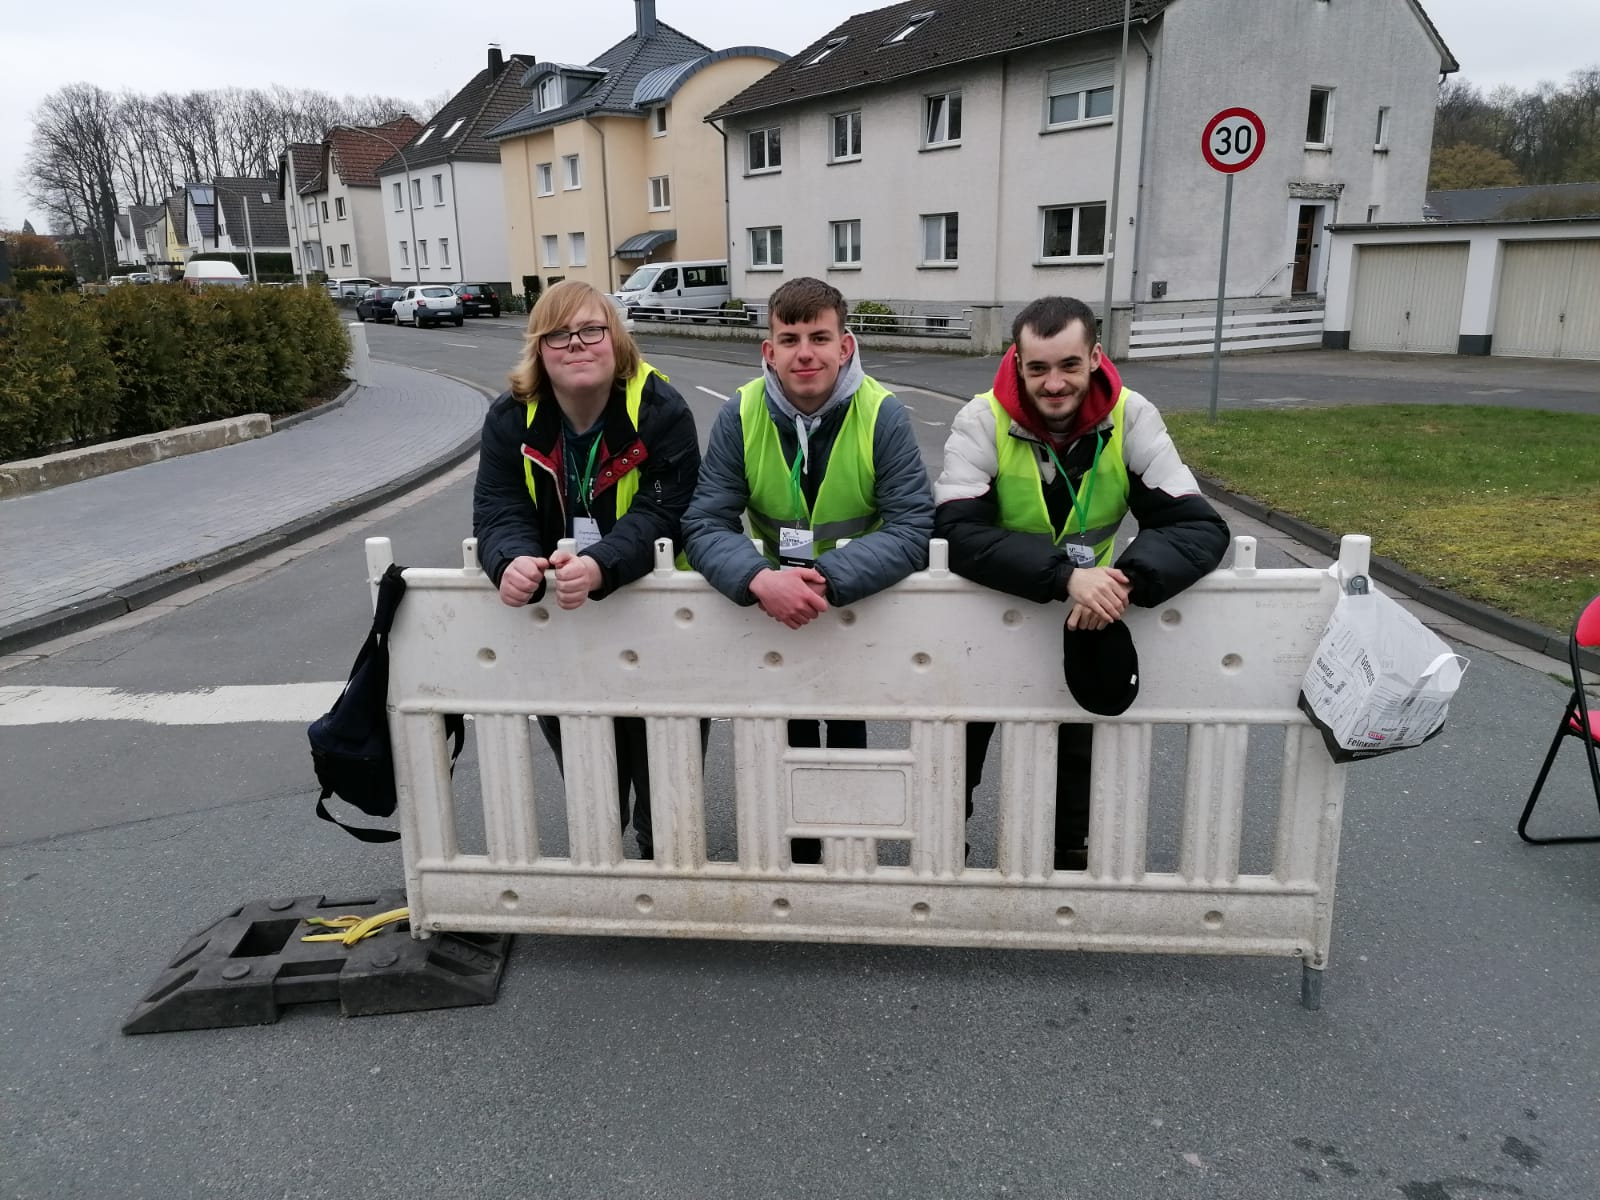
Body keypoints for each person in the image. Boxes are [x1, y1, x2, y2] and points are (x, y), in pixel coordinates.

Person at [934, 295, 1229, 870]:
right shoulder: (981, 419)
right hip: (993, 608)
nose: (1053, 383)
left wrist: (1122, 583)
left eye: (1068, 364)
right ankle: (949, 847)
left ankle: (1067, 852)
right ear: (1017, 363)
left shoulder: (1132, 415)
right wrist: (1068, 577)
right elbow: (954, 534)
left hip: (1086, 611)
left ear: (1095, 357)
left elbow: (1197, 525)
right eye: (1038, 367)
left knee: (1078, 733)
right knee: (965, 733)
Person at [683, 277, 935, 863]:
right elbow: (705, 522)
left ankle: (846, 850)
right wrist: (758, 578)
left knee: (848, 729)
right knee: (784, 729)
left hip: (854, 604)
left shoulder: (883, 414)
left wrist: (828, 579)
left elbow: (912, 527)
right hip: (775, 606)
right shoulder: (740, 414)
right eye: (789, 338)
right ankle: (796, 854)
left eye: (819, 337)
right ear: (767, 351)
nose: (805, 353)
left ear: (845, 346)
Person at [472, 280, 702, 860]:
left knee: (664, 755)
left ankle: (662, 854)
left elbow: (667, 509)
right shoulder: (510, 418)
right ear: (539, 349)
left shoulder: (660, 410)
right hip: (563, 613)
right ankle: (603, 860)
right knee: (585, 751)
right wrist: (510, 561)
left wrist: (601, 563)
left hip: (657, 612)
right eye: (558, 334)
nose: (577, 345)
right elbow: (499, 508)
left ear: (616, 340)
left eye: (592, 330)